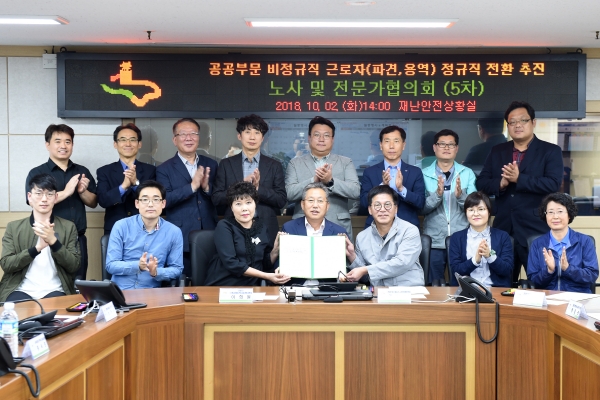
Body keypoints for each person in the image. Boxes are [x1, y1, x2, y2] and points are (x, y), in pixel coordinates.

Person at [476, 101, 563, 284]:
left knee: (541, 283)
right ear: (507, 126)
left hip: (535, 230)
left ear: (533, 122)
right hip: (504, 230)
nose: (518, 125)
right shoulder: (497, 151)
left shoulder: (550, 151)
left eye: (523, 120)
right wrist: (501, 183)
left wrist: (519, 179)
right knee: (501, 285)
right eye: (512, 122)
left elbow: (553, 184)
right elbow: (481, 183)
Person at [26, 124, 97, 280]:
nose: (63, 146)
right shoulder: (37, 173)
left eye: (68, 141)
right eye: (57, 141)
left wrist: (82, 192)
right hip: (47, 237)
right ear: (47, 145)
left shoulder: (82, 171)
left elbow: (93, 202)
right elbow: (33, 202)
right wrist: (66, 192)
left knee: (78, 283)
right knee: (48, 283)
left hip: (77, 238)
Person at [1, 174, 80, 302]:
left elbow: (74, 266)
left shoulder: (68, 227)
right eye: (38, 193)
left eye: (49, 194)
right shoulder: (14, 227)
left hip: (56, 289)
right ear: (29, 197)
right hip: (20, 289)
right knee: (16, 311)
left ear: (56, 197)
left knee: (55, 312)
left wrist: (54, 242)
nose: (44, 199)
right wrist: (37, 248)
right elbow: (7, 264)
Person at [156, 118, 218, 275]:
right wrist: (192, 187)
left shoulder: (212, 164)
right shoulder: (164, 169)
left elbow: (219, 198)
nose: (188, 138)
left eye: (193, 134)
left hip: (210, 233)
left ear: (199, 137)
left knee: (210, 279)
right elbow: (164, 200)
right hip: (180, 235)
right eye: (183, 134)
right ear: (174, 140)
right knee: (183, 280)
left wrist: (206, 188)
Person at [212, 114, 287, 245]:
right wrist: (241, 186)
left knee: (267, 259)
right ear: (239, 136)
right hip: (233, 227)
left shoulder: (274, 165)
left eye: (257, 133)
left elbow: (281, 200)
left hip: (266, 227)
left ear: (262, 138)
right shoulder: (226, 164)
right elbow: (216, 198)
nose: (252, 137)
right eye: (247, 132)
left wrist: (257, 189)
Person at [285, 116, 360, 237]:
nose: (321, 139)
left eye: (326, 135)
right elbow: (290, 194)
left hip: (338, 226)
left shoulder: (346, 162)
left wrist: (330, 181)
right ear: (309, 138)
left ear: (332, 139)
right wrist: (313, 180)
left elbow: (355, 191)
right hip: (302, 226)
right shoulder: (295, 163)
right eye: (317, 135)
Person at [205, 182, 290, 286]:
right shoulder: (224, 226)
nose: (244, 208)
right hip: (224, 285)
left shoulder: (261, 227)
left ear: (255, 204)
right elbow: (231, 263)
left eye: (248, 202)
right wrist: (267, 276)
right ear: (231, 207)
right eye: (238, 204)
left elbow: (264, 264)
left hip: (252, 288)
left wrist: (275, 251)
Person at [105, 181, 184, 290]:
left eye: (156, 200)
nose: (150, 204)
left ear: (163, 203)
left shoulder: (174, 232)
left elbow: (177, 269)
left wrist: (156, 272)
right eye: (145, 199)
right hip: (120, 291)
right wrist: (137, 265)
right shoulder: (121, 226)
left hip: (151, 292)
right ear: (137, 203)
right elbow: (111, 265)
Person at [422, 129, 477, 282]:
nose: (446, 148)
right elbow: (421, 208)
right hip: (434, 240)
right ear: (434, 147)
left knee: (461, 283)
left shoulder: (467, 173)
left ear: (456, 148)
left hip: (461, 240)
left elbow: (474, 208)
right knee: (433, 284)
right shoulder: (423, 174)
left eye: (451, 144)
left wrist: (461, 197)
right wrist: (437, 195)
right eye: (442, 144)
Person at [343, 185, 424, 286]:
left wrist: (365, 270)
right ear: (370, 210)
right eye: (377, 205)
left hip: (409, 290)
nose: (382, 209)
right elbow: (364, 277)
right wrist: (352, 256)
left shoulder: (410, 230)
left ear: (396, 208)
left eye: (387, 205)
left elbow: (402, 263)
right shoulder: (362, 237)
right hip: (378, 292)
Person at [527, 193, 599, 293]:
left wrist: (568, 269)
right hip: (548, 297)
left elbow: (591, 275)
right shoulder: (537, 244)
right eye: (550, 212)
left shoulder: (585, 241)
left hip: (577, 297)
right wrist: (549, 271)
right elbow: (533, 280)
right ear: (545, 215)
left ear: (569, 214)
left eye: (560, 211)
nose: (555, 216)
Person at [360, 125, 425, 229]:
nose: (391, 146)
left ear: (403, 145)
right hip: (376, 228)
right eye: (387, 141)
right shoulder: (369, 172)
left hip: (407, 229)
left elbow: (420, 203)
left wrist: (401, 189)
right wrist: (381, 186)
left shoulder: (415, 172)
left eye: (396, 141)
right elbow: (364, 203)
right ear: (381, 145)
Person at [96, 123, 156, 234]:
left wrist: (136, 183)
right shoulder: (104, 171)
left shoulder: (151, 170)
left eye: (132, 140)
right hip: (115, 229)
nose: (128, 144)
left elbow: (154, 200)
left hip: (144, 228)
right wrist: (123, 187)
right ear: (115, 144)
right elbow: (103, 201)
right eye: (123, 140)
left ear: (139, 144)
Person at [448, 192, 513, 287]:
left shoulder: (503, 236)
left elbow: (507, 270)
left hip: (495, 291)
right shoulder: (456, 238)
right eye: (471, 210)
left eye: (481, 209)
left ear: (489, 212)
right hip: (467, 290)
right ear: (466, 213)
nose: (476, 214)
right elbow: (456, 271)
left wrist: (489, 256)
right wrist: (475, 260)